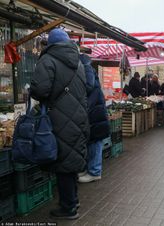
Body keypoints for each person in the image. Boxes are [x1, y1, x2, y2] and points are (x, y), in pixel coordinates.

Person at [30, 28, 89, 220]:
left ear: (50, 44)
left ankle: (69, 207)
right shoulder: (79, 63)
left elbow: (40, 90)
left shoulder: (48, 60)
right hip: (78, 117)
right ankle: (74, 200)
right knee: (70, 162)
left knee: (63, 164)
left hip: (59, 119)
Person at [78, 53, 110, 183]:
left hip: (95, 114)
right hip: (95, 113)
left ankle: (95, 172)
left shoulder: (86, 69)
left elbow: (89, 87)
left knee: (95, 142)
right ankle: (91, 169)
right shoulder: (88, 69)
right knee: (93, 142)